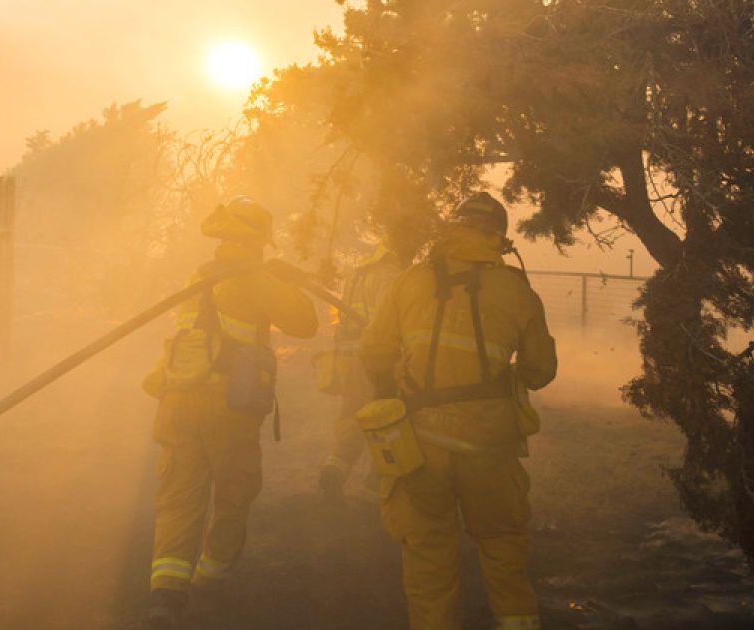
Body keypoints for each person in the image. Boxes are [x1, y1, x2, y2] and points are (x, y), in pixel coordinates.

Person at [359, 192, 557, 629]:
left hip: (420, 443)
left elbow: (373, 351)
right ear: (499, 237)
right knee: (503, 544)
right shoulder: (515, 289)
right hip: (489, 445)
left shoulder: (409, 281)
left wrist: (393, 389)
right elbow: (541, 371)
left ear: (453, 228)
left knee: (428, 551)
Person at [141, 196, 319, 629]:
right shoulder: (257, 279)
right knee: (233, 495)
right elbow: (305, 323)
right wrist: (287, 282)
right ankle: (210, 580)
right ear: (257, 241)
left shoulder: (198, 277)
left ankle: (165, 594)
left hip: (179, 402)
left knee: (179, 499)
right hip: (228, 406)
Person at [317, 229, 415, 502]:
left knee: (352, 415)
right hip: (379, 360)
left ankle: (334, 468)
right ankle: (375, 485)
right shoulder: (394, 275)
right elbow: (394, 323)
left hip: (350, 358)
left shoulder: (360, 272)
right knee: (387, 417)